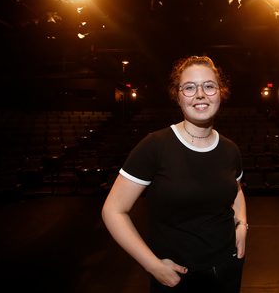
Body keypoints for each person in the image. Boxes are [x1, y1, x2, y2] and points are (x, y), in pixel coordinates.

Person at [102, 55, 248, 292]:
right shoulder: (154, 146)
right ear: (177, 96)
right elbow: (113, 211)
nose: (200, 94)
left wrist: (242, 224)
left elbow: (236, 190)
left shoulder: (230, 149)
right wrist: (153, 266)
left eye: (209, 86)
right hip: (176, 277)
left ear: (220, 92)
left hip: (228, 269)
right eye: (189, 87)